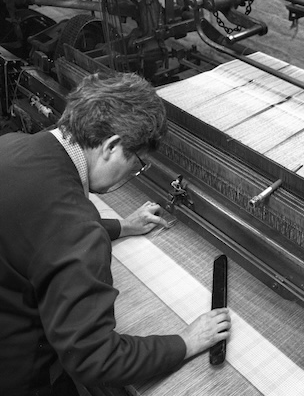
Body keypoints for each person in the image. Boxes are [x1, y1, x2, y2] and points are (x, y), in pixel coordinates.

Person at [0, 72, 231, 396]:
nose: (133, 173)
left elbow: (35, 228)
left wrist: (122, 226)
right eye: (137, 163)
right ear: (110, 146)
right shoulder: (76, 230)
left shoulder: (13, 147)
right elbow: (95, 359)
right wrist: (186, 342)